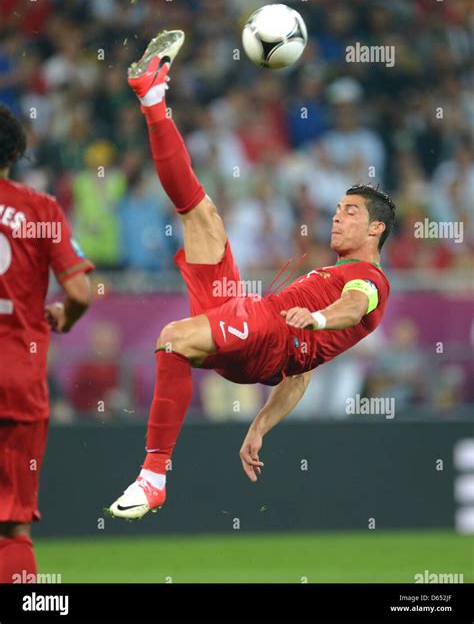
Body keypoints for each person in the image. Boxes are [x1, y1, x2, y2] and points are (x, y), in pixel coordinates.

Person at [108, 31, 394, 520]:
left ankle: (154, 477)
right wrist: (260, 425)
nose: (336, 217)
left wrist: (319, 320)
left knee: (172, 337)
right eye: (338, 209)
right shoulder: (334, 274)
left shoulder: (370, 280)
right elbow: (300, 376)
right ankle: (153, 98)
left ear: (376, 228)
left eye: (349, 212)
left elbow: (354, 305)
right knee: (201, 214)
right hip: (257, 324)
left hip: (267, 332)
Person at [0, 104, 93, 582]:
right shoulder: (40, 209)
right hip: (17, 379)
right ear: (15, 152)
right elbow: (79, 291)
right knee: (13, 526)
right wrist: (66, 316)